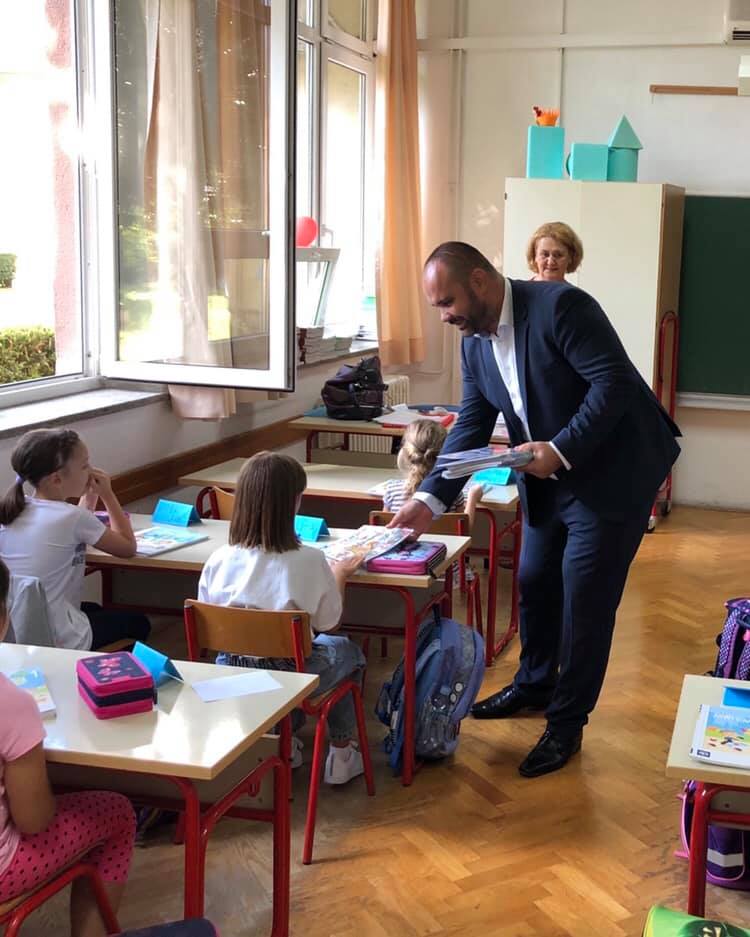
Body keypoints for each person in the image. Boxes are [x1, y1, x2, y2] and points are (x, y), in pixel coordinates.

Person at [388, 241, 680, 778]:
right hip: (546, 478)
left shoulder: (561, 307)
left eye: (447, 302)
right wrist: (429, 498)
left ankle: (566, 723)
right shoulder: (474, 345)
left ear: (479, 281)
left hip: (612, 471)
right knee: (535, 579)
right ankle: (534, 685)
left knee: (585, 601)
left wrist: (561, 450)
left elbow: (613, 383)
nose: (444, 316)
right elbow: (472, 423)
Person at [198, 451, 368, 785]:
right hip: (291, 675)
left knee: (298, 654)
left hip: (228, 671)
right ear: (295, 502)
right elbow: (329, 623)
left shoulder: (218, 558)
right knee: (349, 653)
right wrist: (340, 575)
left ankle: (284, 745)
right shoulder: (310, 559)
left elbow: (208, 614)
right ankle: (342, 753)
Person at [0, 558, 136, 936]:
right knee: (118, 813)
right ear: (4, 621)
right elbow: (34, 820)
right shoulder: (12, 704)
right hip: (4, 870)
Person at [0, 428, 150, 651]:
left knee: (95, 609)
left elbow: (76, 524)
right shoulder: (73, 517)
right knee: (139, 622)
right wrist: (108, 495)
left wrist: (90, 496)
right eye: (85, 465)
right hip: (56, 636)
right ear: (57, 479)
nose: (91, 471)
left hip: (14, 629)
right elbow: (127, 547)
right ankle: (100, 667)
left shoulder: (12, 509)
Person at [383, 418, 484, 523]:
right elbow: (464, 528)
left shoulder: (391, 490)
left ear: (405, 452)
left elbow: (384, 528)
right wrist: (472, 497)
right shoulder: (453, 493)